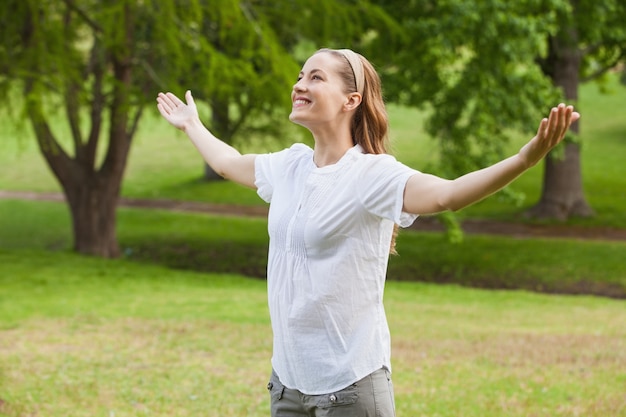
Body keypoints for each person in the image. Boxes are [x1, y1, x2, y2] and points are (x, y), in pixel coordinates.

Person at [156, 48, 579, 417]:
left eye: (315, 77)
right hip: (287, 383)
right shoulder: (289, 165)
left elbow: (447, 196)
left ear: (350, 100)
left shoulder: (371, 175)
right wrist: (192, 125)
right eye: (300, 75)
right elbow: (229, 162)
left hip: (349, 387)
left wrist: (525, 159)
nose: (299, 84)